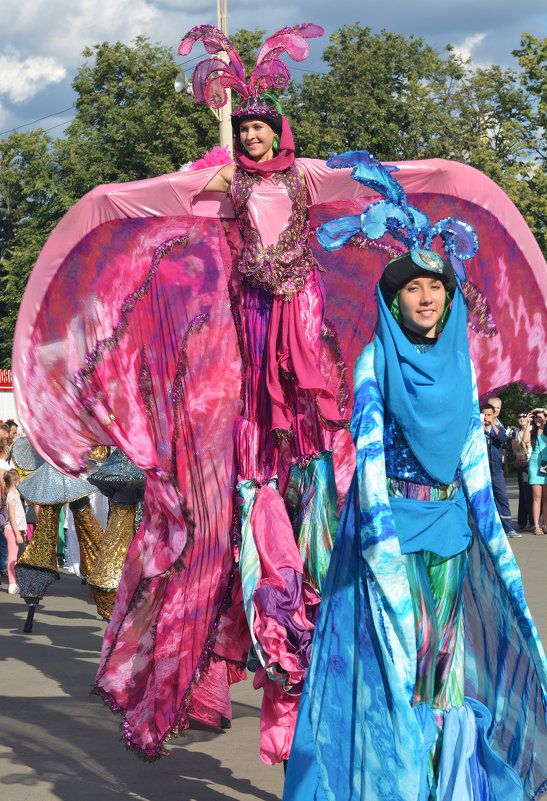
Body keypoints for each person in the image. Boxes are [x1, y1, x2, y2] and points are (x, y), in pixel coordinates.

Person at [12, 28, 547, 767]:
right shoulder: (223, 186)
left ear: (281, 134)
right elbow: (158, 195)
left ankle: (334, 659)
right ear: (240, 139)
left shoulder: (308, 181)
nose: (257, 140)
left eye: (265, 130)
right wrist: (107, 201)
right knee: (236, 476)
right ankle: (229, 631)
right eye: (248, 132)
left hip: (298, 322)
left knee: (314, 437)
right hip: (246, 326)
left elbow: (371, 179)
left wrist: (444, 173)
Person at [283, 155, 547, 800]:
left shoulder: (464, 369)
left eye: (437, 288)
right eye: (412, 289)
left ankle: (444, 785)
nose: (426, 297)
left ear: (449, 297)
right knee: (394, 665)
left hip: (451, 537)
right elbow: (368, 460)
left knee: (441, 667)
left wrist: (495, 545)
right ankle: (389, 782)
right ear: (393, 298)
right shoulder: (375, 360)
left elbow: (473, 469)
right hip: (390, 538)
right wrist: (378, 543)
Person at [481, 402, 521, 538]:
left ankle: (508, 528)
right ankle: (487, 529)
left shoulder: (497, 428)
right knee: (485, 499)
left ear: (493, 416)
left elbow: (503, 438)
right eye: (484, 415)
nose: (486, 417)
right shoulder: (477, 429)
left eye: (489, 415)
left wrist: (492, 424)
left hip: (496, 470)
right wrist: (481, 425)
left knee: (502, 498)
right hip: (482, 471)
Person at [4, 468, 27, 593]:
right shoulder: (11, 497)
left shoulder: (16, 494)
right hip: (12, 531)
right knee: (12, 557)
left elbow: (19, 514)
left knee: (17, 557)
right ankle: (12, 584)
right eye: (18, 479)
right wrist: (17, 533)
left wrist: (22, 529)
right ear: (15, 481)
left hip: (16, 530)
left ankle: (15, 581)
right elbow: (12, 517)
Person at [512, 408, 534, 531]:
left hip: (533, 463)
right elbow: (514, 447)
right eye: (519, 416)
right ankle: (522, 521)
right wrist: (517, 455)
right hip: (522, 464)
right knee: (524, 493)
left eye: (524, 416)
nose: (522, 418)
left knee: (534, 494)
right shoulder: (516, 431)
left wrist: (529, 424)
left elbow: (528, 441)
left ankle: (534, 520)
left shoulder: (533, 428)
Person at [526, 407, 547, 535]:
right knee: (536, 497)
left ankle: (545, 524)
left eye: (540, 416)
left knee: (546, 498)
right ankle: (536, 526)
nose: (537, 419)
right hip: (535, 465)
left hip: (546, 465)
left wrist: (542, 409)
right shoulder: (532, 430)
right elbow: (525, 440)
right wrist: (528, 422)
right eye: (535, 417)